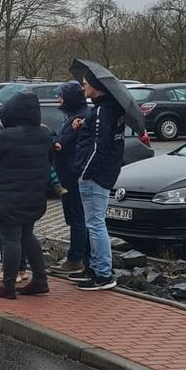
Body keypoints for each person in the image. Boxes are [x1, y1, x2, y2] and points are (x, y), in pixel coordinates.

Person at [0, 92, 53, 299]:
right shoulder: (44, 135)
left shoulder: (6, 135)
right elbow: (50, 161)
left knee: (11, 239)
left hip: (8, 197)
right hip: (35, 196)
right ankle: (40, 279)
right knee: (28, 235)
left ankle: (8, 286)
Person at [71, 71, 125, 291]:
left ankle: (103, 274)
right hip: (104, 173)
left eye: (85, 84)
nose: (83, 88)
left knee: (95, 224)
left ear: (96, 85)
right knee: (93, 222)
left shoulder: (103, 110)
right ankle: (94, 268)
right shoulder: (110, 109)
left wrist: (85, 170)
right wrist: (84, 123)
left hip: (95, 175)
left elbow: (99, 145)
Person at [47, 81, 91, 275]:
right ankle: (82, 256)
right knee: (76, 216)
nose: (58, 100)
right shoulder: (73, 116)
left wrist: (54, 143)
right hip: (69, 173)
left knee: (77, 217)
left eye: (61, 96)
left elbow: (62, 143)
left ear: (70, 98)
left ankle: (76, 258)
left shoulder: (80, 118)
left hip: (72, 174)